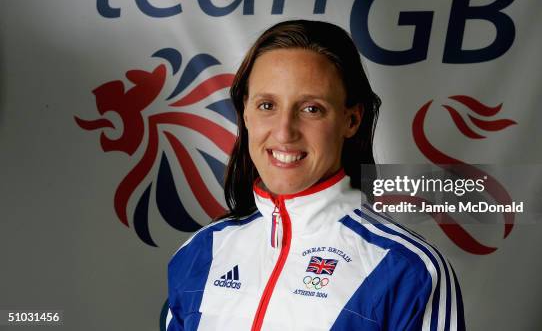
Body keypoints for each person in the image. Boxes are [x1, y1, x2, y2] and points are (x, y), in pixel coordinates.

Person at [166, 20, 465, 330]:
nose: (284, 132)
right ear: (245, 111)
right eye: (267, 105)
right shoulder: (199, 253)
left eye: (311, 109)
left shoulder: (407, 268)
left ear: (352, 119)